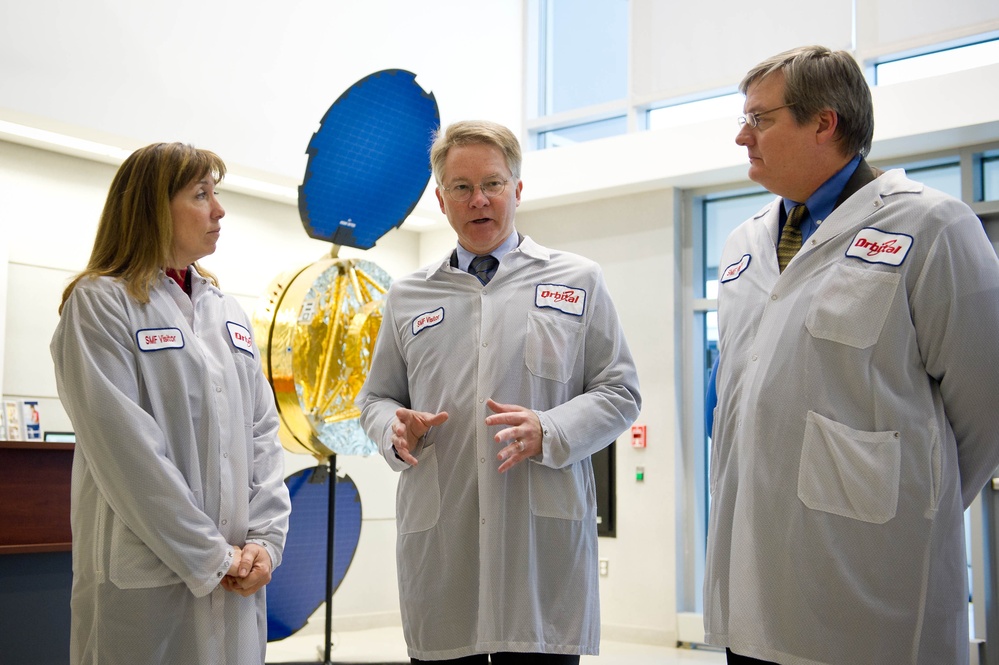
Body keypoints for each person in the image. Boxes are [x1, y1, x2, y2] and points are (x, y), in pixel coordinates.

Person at [705, 45, 999, 664]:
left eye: (760, 119)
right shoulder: (743, 243)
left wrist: (914, 502)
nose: (741, 136)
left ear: (824, 122)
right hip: (751, 573)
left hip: (870, 575)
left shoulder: (931, 226)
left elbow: (986, 409)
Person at [358, 120, 641, 663]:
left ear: (517, 188)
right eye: (461, 188)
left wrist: (551, 429)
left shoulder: (578, 280)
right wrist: (391, 428)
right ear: (441, 200)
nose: (478, 200)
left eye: (492, 183)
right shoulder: (408, 295)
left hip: (540, 552)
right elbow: (376, 398)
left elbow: (619, 391)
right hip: (444, 544)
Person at [50, 142, 292, 664]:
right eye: (201, 195)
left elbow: (262, 436)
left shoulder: (227, 311)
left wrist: (265, 543)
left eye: (216, 194)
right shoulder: (101, 303)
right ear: (153, 208)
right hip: (148, 578)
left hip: (238, 576)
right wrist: (212, 556)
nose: (219, 210)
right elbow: (128, 453)